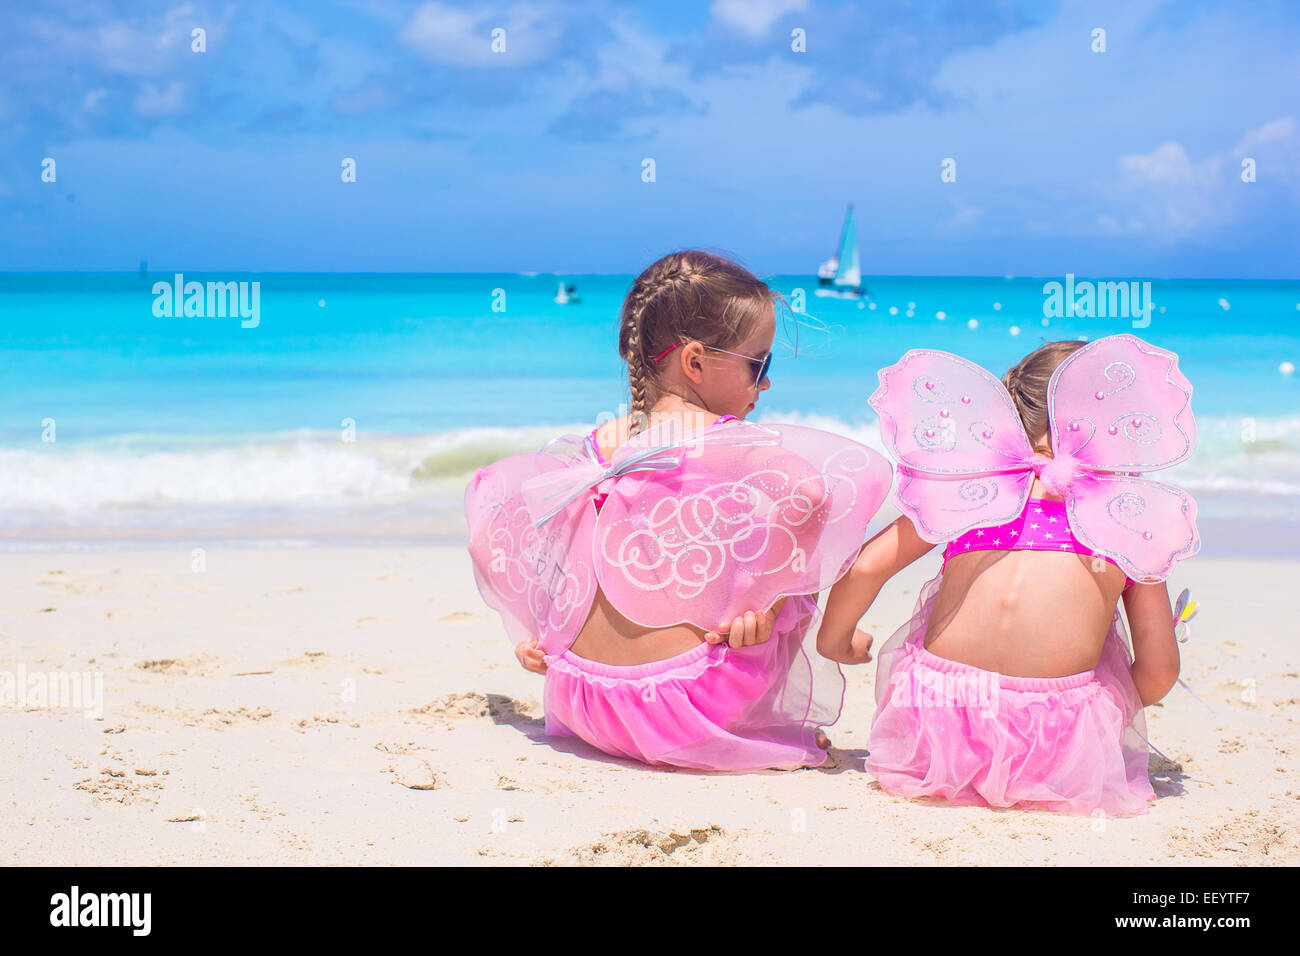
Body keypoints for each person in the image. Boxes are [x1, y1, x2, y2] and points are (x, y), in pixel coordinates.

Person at [464, 250, 892, 770]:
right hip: (682, 708)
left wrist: (539, 629)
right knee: (786, 578)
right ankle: (753, 717)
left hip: (580, 697)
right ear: (694, 362)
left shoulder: (599, 446)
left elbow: (492, 531)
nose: (767, 384)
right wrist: (767, 603)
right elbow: (812, 494)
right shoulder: (727, 440)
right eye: (759, 365)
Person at [818, 334, 1199, 813]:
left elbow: (866, 567)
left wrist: (835, 643)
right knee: (1099, 651)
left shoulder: (970, 491)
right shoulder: (1127, 518)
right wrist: (1100, 714)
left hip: (936, 723)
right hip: (1059, 749)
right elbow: (1160, 671)